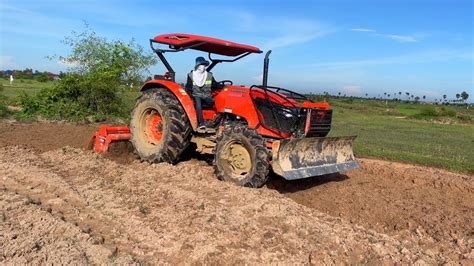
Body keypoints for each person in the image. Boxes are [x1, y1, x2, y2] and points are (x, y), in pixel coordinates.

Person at [185, 56, 218, 129]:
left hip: (206, 95)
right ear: (197, 66)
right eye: (201, 65)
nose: (203, 66)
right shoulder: (191, 75)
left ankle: (217, 120)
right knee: (198, 103)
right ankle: (201, 123)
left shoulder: (209, 75)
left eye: (204, 65)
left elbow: (215, 85)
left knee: (215, 102)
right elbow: (188, 87)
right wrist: (191, 96)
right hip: (196, 94)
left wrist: (224, 87)